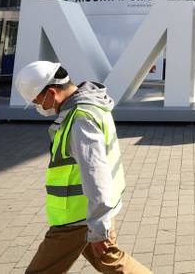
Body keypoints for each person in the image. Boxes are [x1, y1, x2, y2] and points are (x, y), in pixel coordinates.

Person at [14, 61, 151, 274]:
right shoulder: (90, 107)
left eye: (36, 101)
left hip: (78, 219)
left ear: (52, 93)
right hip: (91, 213)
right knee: (111, 261)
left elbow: (96, 174)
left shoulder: (80, 120)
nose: (37, 106)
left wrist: (98, 227)